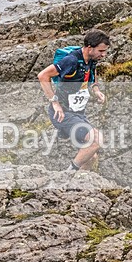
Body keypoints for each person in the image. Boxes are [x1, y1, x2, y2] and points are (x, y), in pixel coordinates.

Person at [37, 29, 109, 171]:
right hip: (62, 113)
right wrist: (55, 102)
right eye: (101, 51)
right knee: (96, 140)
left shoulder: (91, 59)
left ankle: (77, 186)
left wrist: (96, 90)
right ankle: (68, 173)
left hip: (78, 113)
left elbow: (91, 73)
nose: (104, 55)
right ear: (89, 48)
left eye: (105, 51)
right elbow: (43, 76)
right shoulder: (71, 60)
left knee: (91, 155)